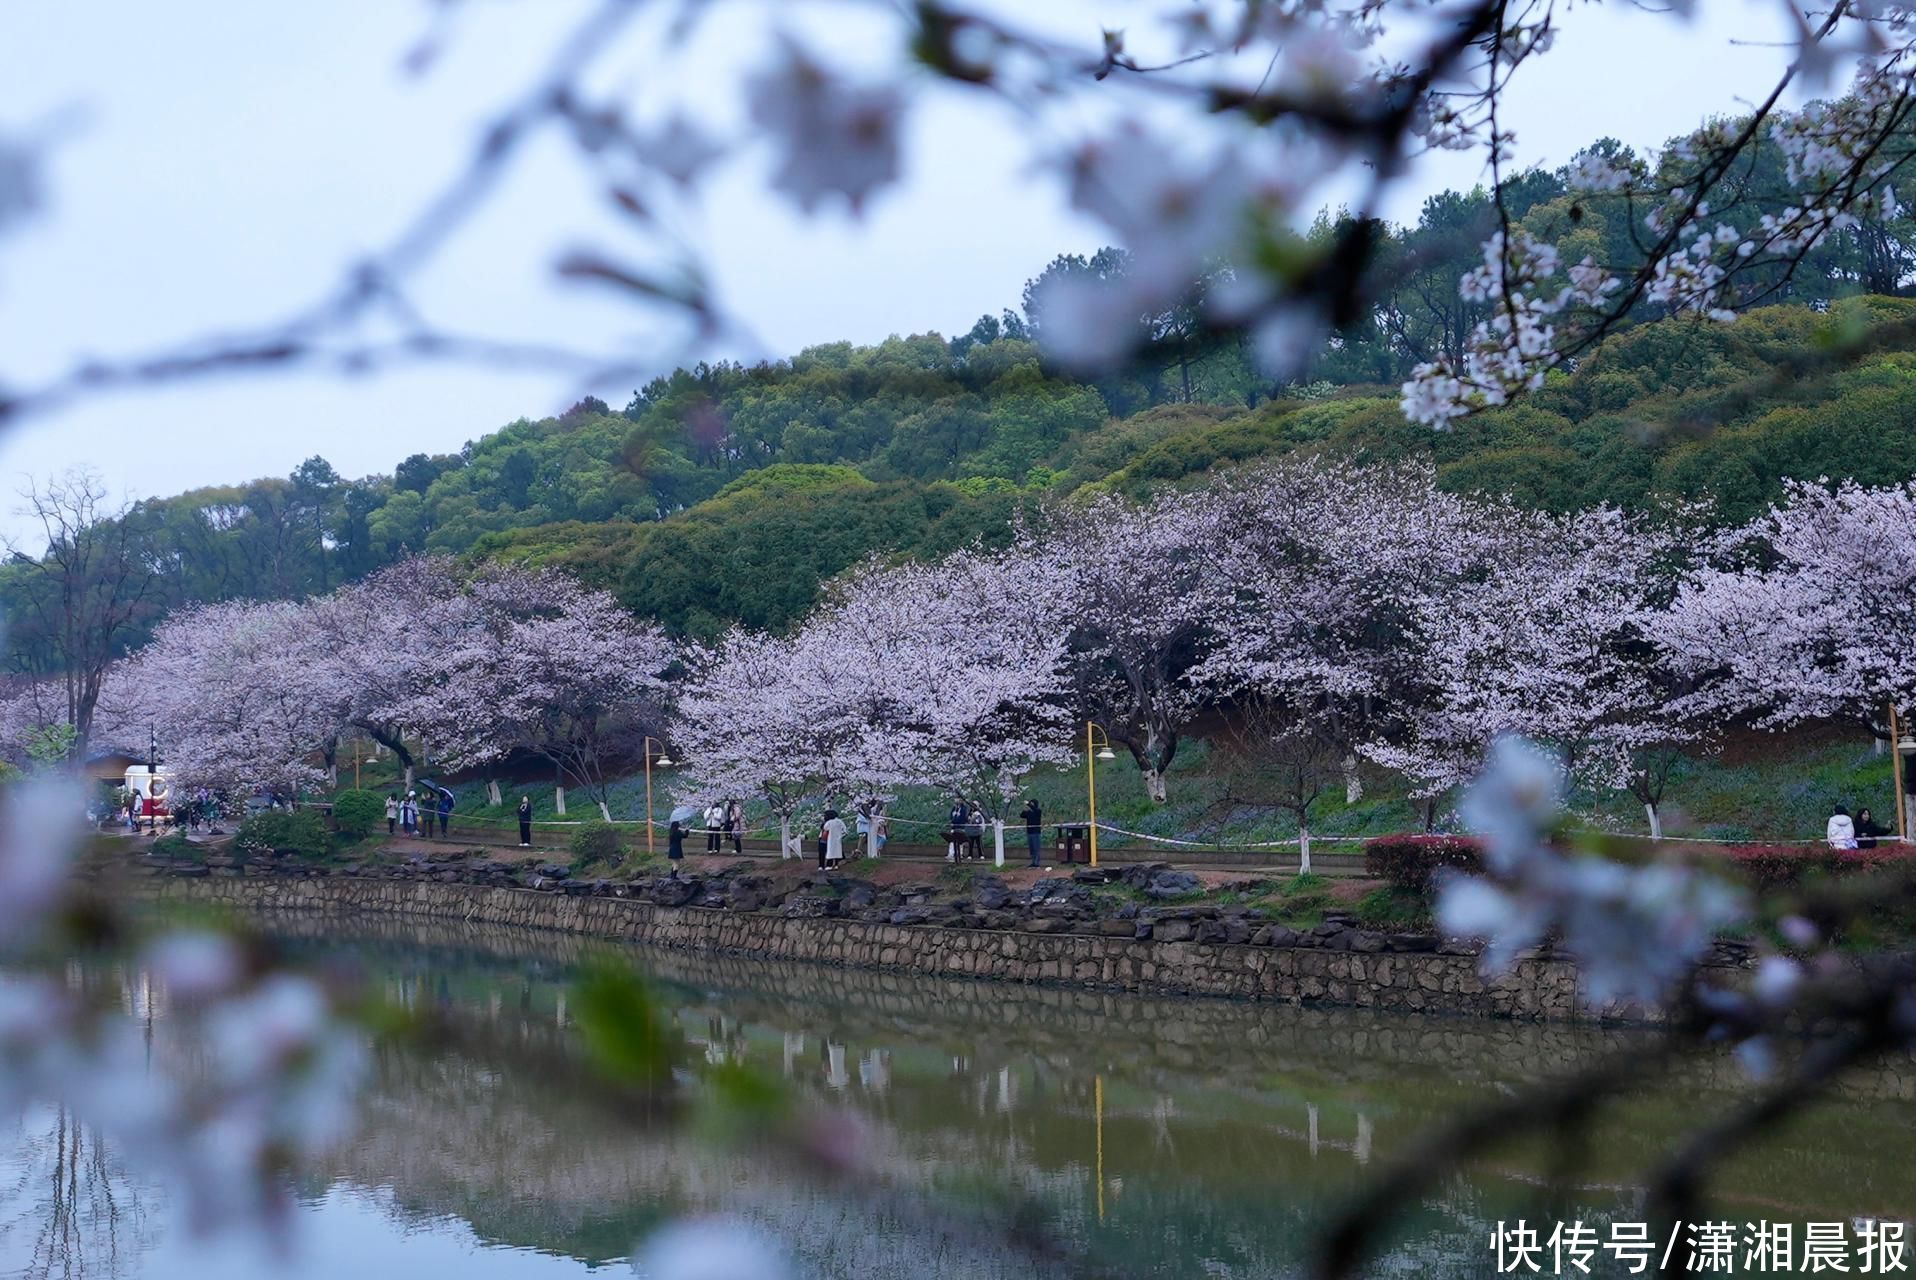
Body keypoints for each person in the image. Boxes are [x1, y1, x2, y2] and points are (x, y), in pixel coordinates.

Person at [1021, 796, 1043, 868]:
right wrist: (1025, 809)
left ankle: (1037, 863)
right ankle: (1033, 862)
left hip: (1036, 832)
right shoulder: (1029, 813)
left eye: (1032, 804)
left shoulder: (1038, 811)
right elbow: (1022, 815)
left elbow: (1035, 809)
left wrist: (1028, 804)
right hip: (1029, 832)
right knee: (1032, 848)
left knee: (1036, 848)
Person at [946, 798, 967, 863]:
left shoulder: (963, 809)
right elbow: (951, 816)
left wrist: (955, 821)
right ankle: (951, 854)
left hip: (960, 827)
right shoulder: (954, 808)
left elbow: (962, 818)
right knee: (952, 841)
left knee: (960, 841)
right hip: (953, 827)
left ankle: (959, 854)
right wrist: (952, 821)